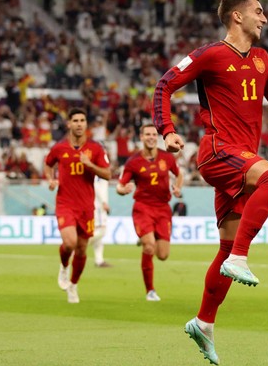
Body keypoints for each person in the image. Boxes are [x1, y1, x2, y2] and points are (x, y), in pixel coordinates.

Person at [152, 0, 268, 365]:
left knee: (225, 248)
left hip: (240, 161)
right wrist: (167, 130)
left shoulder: (263, 60)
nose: (264, 19)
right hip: (218, 150)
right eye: (259, 12)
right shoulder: (209, 54)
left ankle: (204, 322)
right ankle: (242, 257)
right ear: (237, 16)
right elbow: (163, 85)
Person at [44, 108, 111, 304]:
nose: (79, 124)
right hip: (65, 203)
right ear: (69, 124)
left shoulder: (96, 149)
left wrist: (90, 165)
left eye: (82, 120)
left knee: (82, 250)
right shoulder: (59, 148)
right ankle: (64, 267)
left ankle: (73, 285)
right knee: (70, 243)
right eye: (75, 120)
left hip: (86, 208)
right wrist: (50, 179)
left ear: (86, 124)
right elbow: (48, 164)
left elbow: (108, 174)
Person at [116, 124, 183, 301]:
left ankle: (145, 236)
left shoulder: (167, 158)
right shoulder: (133, 162)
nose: (151, 137)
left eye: (154, 134)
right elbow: (120, 186)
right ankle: (150, 290)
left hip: (163, 209)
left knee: (162, 255)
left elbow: (179, 174)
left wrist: (177, 187)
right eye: (147, 134)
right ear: (141, 137)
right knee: (149, 246)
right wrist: (124, 190)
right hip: (143, 208)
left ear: (158, 137)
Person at [91, 175, 112, 268]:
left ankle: (99, 260)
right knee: (101, 231)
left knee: (98, 236)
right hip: (98, 206)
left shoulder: (102, 168)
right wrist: (104, 202)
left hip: (98, 205)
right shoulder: (100, 171)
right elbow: (97, 186)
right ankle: (78, 247)